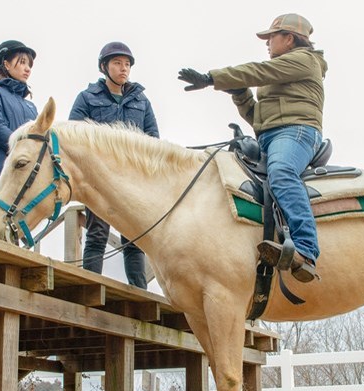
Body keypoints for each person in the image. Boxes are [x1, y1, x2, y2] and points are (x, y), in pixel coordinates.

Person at [178, 13, 327, 282]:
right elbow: (259, 118)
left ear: (289, 39)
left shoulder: (305, 61)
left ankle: (306, 251)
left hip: (298, 132)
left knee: (281, 173)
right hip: (270, 136)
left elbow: (257, 71)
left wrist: (211, 78)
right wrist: (240, 94)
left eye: (271, 37)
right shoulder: (283, 72)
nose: (267, 43)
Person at [69, 41, 159, 289]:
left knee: (134, 238)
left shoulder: (142, 102)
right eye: (118, 63)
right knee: (96, 235)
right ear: (104, 66)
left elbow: (154, 141)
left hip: (132, 183)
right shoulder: (86, 98)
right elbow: (73, 136)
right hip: (98, 180)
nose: (124, 68)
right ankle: (90, 288)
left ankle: (140, 292)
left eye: (127, 64)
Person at [0, 40, 38, 225]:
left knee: (14, 235)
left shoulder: (31, 107)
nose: (27, 69)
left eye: (29, 64)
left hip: (22, 178)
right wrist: (23, 149)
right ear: (5, 64)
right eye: (22, 62)